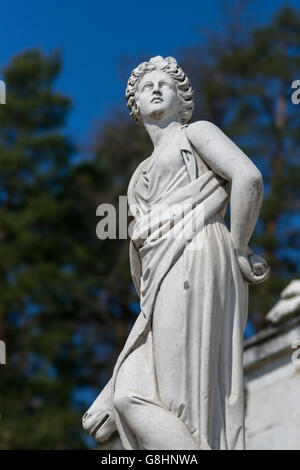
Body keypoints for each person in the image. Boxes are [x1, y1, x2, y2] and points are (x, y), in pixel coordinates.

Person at [82, 56, 270, 450]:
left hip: (197, 253)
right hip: (158, 281)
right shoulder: (139, 176)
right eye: (144, 86)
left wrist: (238, 246)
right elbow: (143, 248)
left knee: (184, 395)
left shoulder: (195, 133)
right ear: (134, 107)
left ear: (182, 99)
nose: (154, 88)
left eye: (163, 84)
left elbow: (248, 177)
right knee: (128, 394)